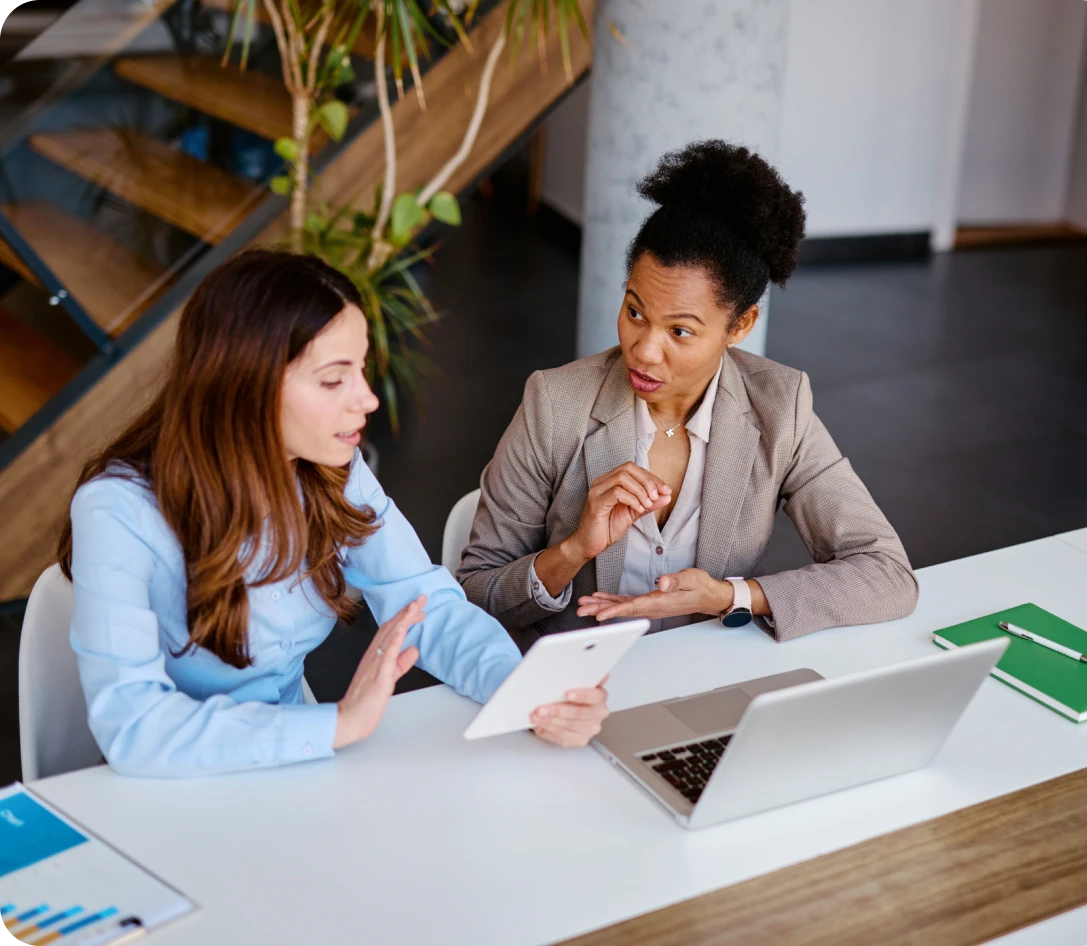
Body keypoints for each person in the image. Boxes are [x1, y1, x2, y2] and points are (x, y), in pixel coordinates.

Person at [59, 250, 607, 778]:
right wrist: (337, 724)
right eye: (332, 380)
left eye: (361, 369)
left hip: (300, 768)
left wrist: (526, 692)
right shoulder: (119, 510)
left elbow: (426, 606)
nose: (367, 399)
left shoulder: (332, 469)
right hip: (178, 787)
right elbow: (134, 725)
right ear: (243, 384)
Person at [459, 140, 918, 647]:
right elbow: (474, 593)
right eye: (635, 312)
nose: (643, 350)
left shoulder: (779, 407)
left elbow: (886, 574)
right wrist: (573, 551)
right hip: (572, 677)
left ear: (740, 325)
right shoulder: (555, 404)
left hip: (704, 675)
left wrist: (729, 596)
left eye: (679, 331)